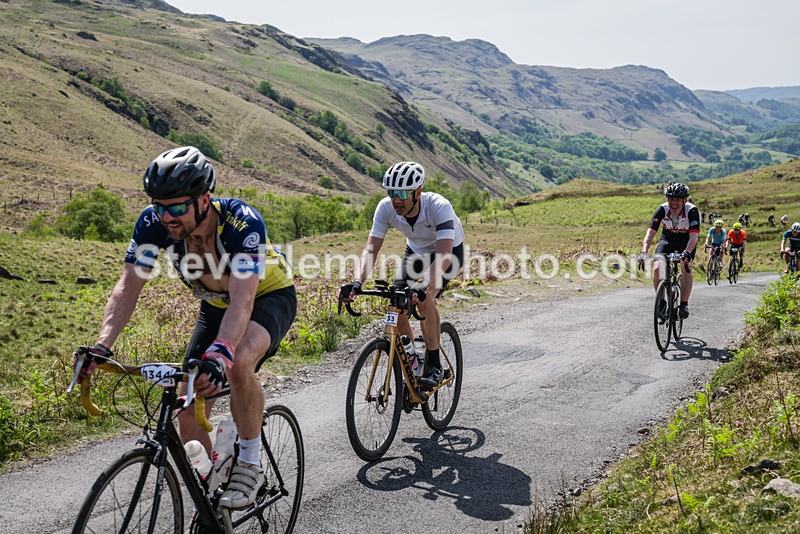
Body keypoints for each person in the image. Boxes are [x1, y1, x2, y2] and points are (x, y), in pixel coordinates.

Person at [73, 146, 296, 510]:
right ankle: (210, 495)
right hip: (215, 306)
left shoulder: (241, 222)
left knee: (238, 362)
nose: (167, 217)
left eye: (177, 208)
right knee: (187, 401)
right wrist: (102, 345)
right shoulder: (153, 225)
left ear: (204, 200)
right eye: (159, 207)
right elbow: (128, 288)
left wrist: (220, 353)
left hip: (267, 297)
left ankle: (250, 462)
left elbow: (243, 301)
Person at [340, 161, 464, 389]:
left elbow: (444, 257)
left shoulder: (439, 206)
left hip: (447, 253)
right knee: (396, 304)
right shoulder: (385, 208)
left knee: (425, 297)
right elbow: (370, 250)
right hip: (416, 253)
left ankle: (434, 364)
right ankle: (414, 359)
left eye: (402, 193)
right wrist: (357, 281)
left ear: (418, 192)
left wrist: (423, 285)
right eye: (391, 193)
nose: (396, 199)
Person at [638, 182, 699, 319]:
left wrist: (687, 252)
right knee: (656, 268)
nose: (674, 203)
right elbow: (650, 233)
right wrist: (644, 251)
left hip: (686, 241)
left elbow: (694, 236)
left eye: (677, 200)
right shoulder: (662, 209)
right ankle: (661, 302)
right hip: (667, 240)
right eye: (671, 199)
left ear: (684, 200)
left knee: (686, 265)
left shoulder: (692, 211)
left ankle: (683, 304)